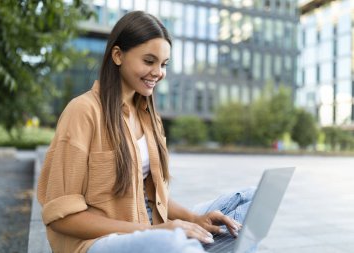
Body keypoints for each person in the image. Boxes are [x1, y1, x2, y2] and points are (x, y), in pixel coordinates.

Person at [37, 11, 254, 253]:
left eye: (163, 64)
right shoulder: (83, 111)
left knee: (250, 202)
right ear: (118, 55)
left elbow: (153, 198)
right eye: (149, 61)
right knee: (173, 243)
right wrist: (154, 232)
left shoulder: (149, 118)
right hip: (99, 241)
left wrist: (193, 219)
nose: (158, 72)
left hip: (149, 227)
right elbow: (61, 217)